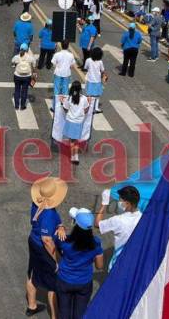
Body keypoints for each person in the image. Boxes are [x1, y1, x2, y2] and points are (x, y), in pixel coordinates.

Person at [26, 177, 68, 319]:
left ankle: (32, 306)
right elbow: (47, 240)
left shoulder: (36, 203)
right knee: (53, 285)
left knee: (32, 275)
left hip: (33, 240)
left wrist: (60, 225)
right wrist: (55, 260)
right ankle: (55, 316)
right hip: (43, 248)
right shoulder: (49, 214)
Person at [55, 208, 103, 319]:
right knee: (80, 313)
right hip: (84, 282)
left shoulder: (64, 241)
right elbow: (99, 266)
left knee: (63, 312)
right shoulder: (96, 243)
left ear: (75, 224)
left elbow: (54, 247)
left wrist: (60, 227)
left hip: (64, 280)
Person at [95, 186, 141, 271]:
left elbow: (97, 224)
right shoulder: (143, 218)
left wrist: (104, 205)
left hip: (117, 265)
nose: (118, 202)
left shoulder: (118, 220)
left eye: (120, 200)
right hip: (135, 264)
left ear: (127, 203)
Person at [59, 81, 90, 165]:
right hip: (79, 121)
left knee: (72, 140)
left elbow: (65, 108)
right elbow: (87, 109)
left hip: (70, 120)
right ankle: (75, 155)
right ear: (80, 89)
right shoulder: (83, 98)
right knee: (75, 140)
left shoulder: (69, 98)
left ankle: (74, 155)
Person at [51, 40, 76, 111]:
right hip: (66, 73)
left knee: (56, 90)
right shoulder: (71, 55)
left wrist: (58, 67)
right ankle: (65, 106)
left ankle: (54, 106)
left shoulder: (57, 54)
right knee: (65, 90)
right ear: (68, 46)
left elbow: (53, 63)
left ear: (61, 45)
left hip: (58, 73)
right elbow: (72, 65)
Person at [12, 44, 37, 111]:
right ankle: (23, 106)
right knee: (24, 91)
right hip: (27, 77)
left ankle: (16, 106)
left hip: (17, 76)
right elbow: (34, 66)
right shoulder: (30, 58)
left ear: (20, 49)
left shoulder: (16, 57)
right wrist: (34, 74)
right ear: (27, 49)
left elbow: (12, 63)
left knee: (17, 90)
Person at [83, 47, 105, 113]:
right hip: (97, 80)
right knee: (97, 95)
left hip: (89, 79)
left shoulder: (88, 60)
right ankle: (96, 108)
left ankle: (88, 107)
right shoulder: (100, 62)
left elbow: (85, 68)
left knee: (89, 94)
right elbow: (102, 70)